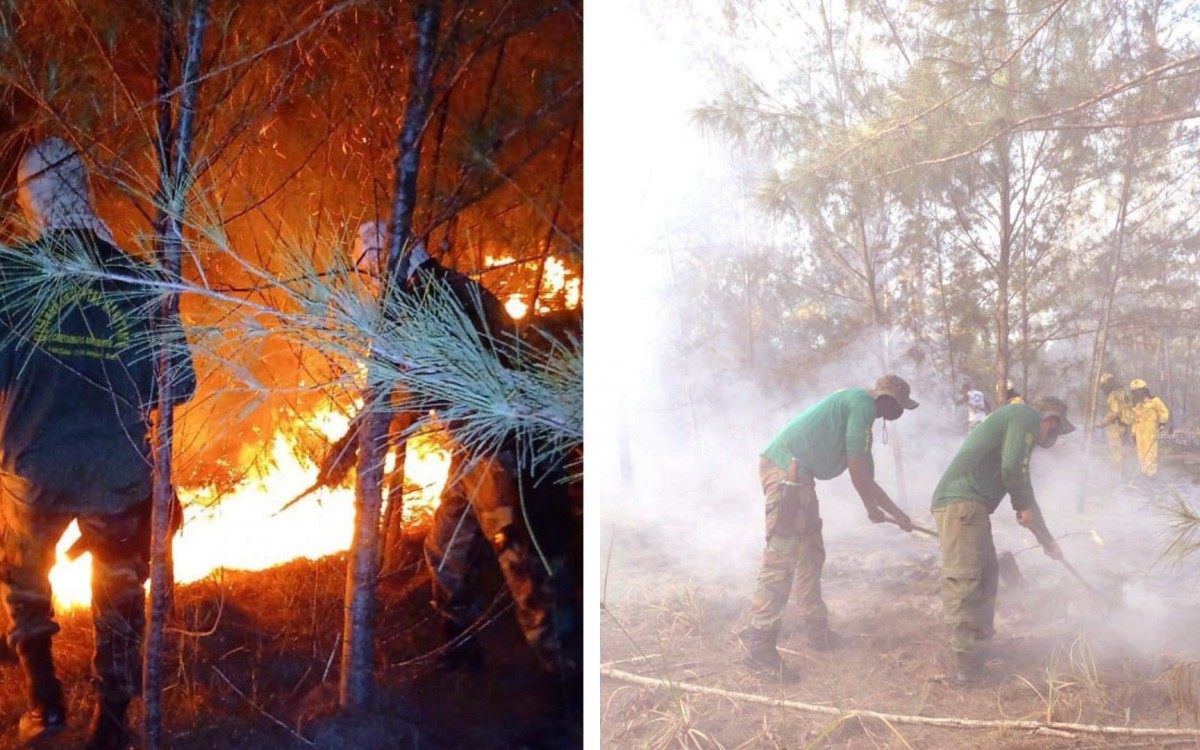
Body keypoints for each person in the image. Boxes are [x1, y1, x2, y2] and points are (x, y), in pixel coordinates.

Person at [0, 137, 196, 747]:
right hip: (119, 469)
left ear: (30, 202)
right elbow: (180, 382)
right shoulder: (136, 277)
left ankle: (44, 702)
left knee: (24, 573)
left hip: (36, 466)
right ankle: (112, 720)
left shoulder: (8, 273)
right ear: (84, 193)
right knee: (117, 589)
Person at [351, 223, 578, 678]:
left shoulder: (431, 303)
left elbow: (415, 392)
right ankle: (460, 647)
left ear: (384, 265)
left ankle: (567, 674)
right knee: (445, 546)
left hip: (501, 449)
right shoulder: (449, 290)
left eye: (370, 273)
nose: (370, 284)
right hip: (472, 448)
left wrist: (375, 434)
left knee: (523, 562)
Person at [742, 375, 918, 680]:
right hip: (787, 468)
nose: (897, 414)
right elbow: (858, 473)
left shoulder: (860, 416)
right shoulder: (862, 404)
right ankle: (760, 648)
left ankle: (816, 630)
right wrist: (870, 509)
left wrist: (898, 515)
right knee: (782, 555)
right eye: (899, 407)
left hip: (801, 475)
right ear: (887, 400)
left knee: (811, 551)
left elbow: (868, 479)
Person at [931, 395, 1072, 686]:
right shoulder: (1023, 416)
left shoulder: (1019, 441)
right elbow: (1012, 473)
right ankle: (967, 667)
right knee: (967, 579)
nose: (1051, 441)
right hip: (962, 504)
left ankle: (978, 653)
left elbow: (1025, 494)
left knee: (986, 577)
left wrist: (1047, 541)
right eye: (1054, 432)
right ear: (1050, 421)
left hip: (972, 507)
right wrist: (1022, 506)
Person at [1129, 378, 1170, 478]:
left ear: (1143, 391)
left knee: (1150, 454)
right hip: (1139, 434)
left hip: (1150, 433)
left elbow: (1164, 412)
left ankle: (1151, 475)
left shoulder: (1155, 401)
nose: (1136, 395)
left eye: (1137, 392)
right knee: (1141, 454)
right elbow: (1135, 421)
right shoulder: (1137, 406)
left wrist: (1162, 423)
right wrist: (1133, 434)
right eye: (1134, 392)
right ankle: (1144, 474)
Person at [1098, 373, 1132, 472]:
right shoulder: (1123, 393)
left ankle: (1115, 472)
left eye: (1104, 385)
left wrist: (1102, 423)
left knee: (1114, 449)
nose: (1103, 389)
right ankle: (1123, 470)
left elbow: (1114, 412)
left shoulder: (1114, 395)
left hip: (1116, 425)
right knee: (1122, 448)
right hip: (1125, 425)